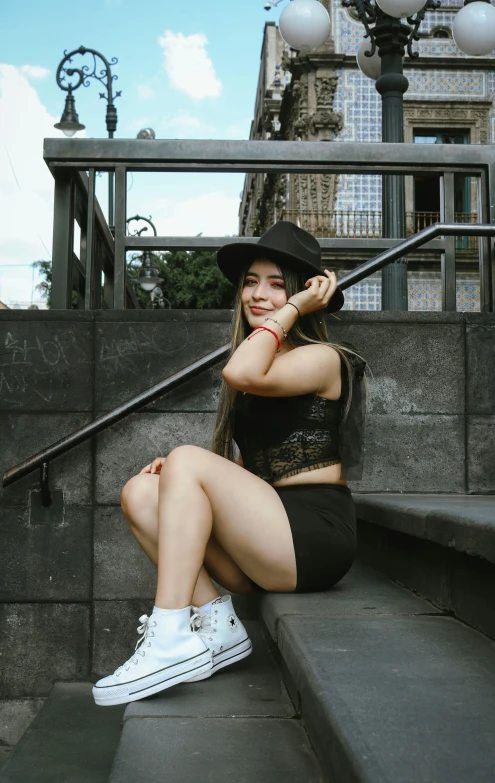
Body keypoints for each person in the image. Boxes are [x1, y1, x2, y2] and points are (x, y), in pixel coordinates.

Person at [92, 221, 368, 707]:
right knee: (140, 491)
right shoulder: (263, 360)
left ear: (304, 294)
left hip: (314, 537)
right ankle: (218, 626)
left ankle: (171, 633)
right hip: (266, 537)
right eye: (250, 281)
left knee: (188, 461)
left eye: (277, 284)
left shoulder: (325, 358)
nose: (259, 294)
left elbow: (238, 371)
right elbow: (248, 469)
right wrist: (181, 475)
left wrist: (295, 309)